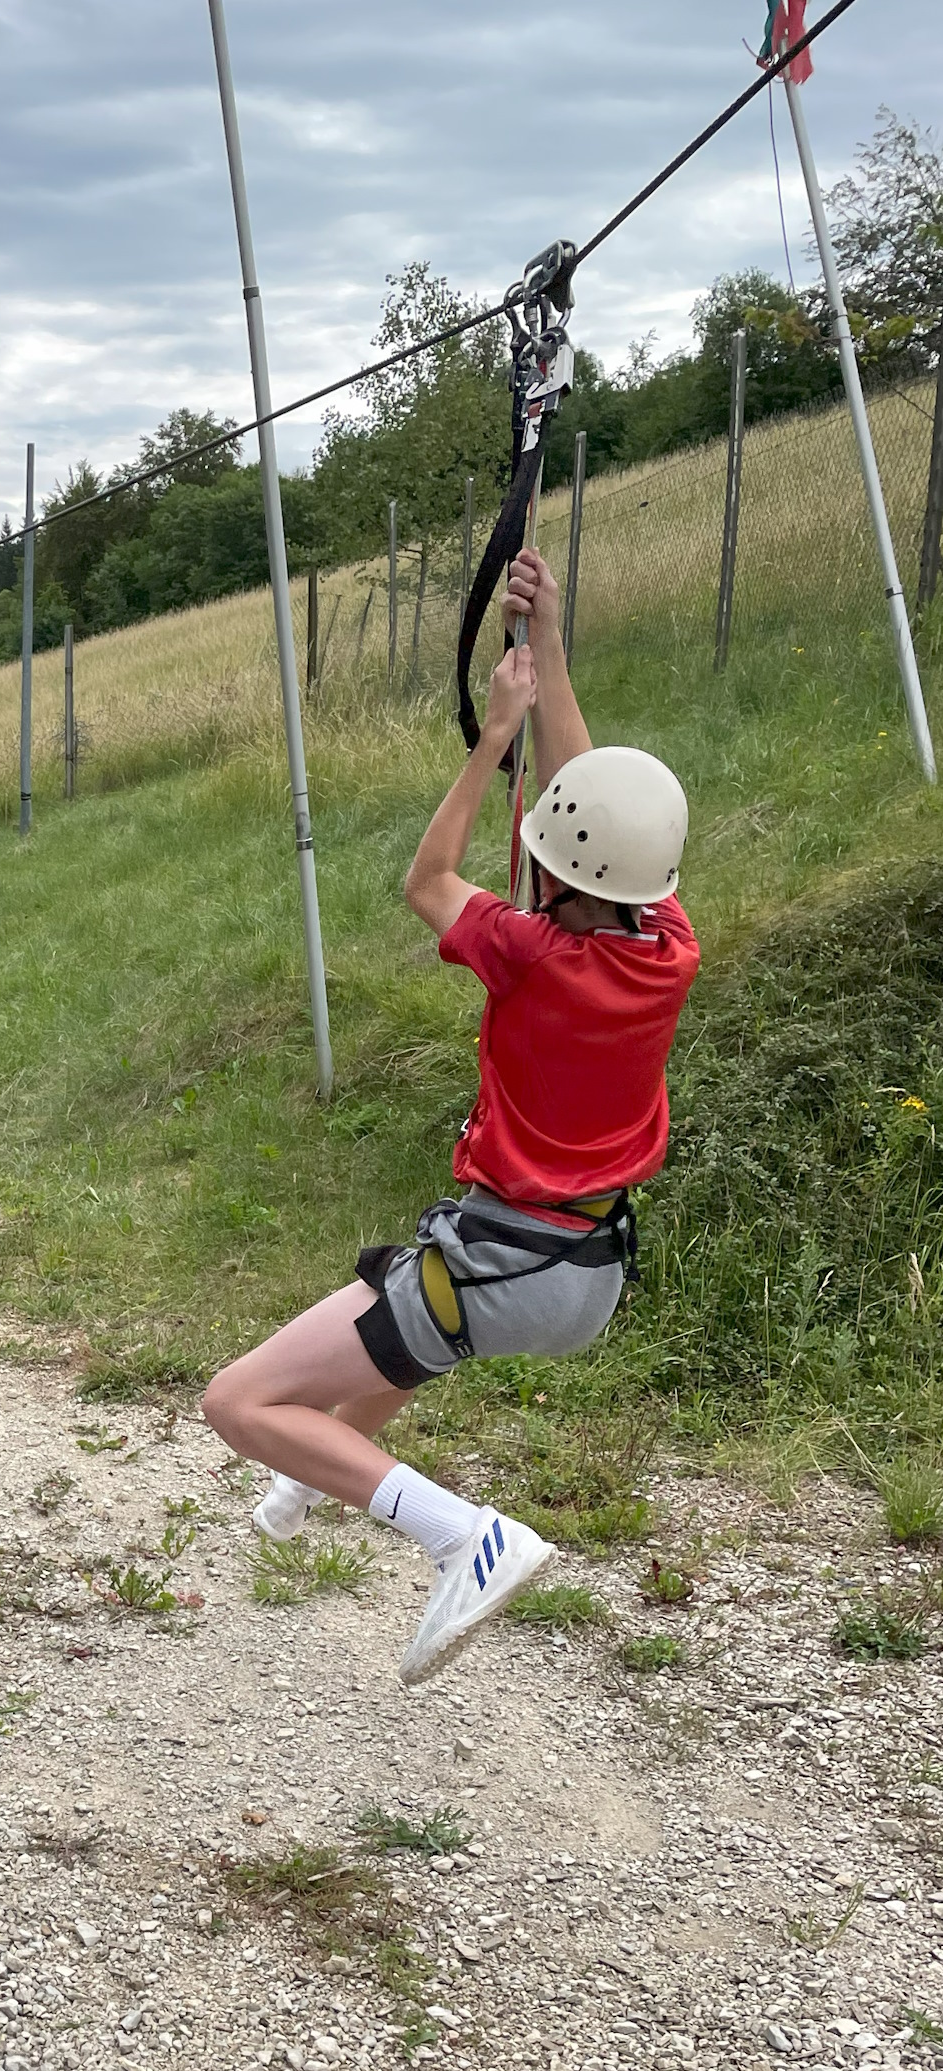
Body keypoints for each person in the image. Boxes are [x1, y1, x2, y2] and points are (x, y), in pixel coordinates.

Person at [201, 547, 699, 1686]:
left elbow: (428, 881)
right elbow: (591, 798)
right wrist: (548, 647)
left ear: (564, 868)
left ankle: (464, 1539)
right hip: (588, 1272)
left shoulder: (529, 953)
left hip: (500, 1258)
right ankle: (309, 1475)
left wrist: (488, 741)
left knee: (237, 1397)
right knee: (405, 1340)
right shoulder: (666, 949)